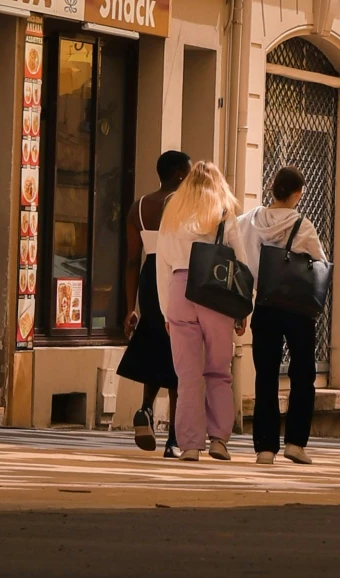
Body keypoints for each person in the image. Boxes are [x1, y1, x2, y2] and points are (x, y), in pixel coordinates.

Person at [155, 159, 247, 462]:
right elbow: (242, 264)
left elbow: (162, 264)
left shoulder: (173, 214)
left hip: (180, 288)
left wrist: (165, 310)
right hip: (215, 291)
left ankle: (191, 444)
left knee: (188, 375)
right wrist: (244, 309)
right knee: (219, 370)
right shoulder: (223, 215)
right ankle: (219, 439)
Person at [238, 165, 328, 467]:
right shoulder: (301, 224)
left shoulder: (251, 220)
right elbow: (320, 262)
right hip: (298, 309)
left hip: (264, 304)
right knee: (302, 375)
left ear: (271, 187)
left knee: (266, 375)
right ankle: (295, 443)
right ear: (298, 194)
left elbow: (241, 257)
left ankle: (265, 447)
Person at [119, 149, 189, 455]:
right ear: (179, 175)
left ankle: (146, 408)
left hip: (149, 277)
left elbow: (132, 260)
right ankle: (174, 436)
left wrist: (130, 307)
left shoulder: (140, 206)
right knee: (178, 354)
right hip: (176, 276)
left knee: (153, 342)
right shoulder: (184, 206)